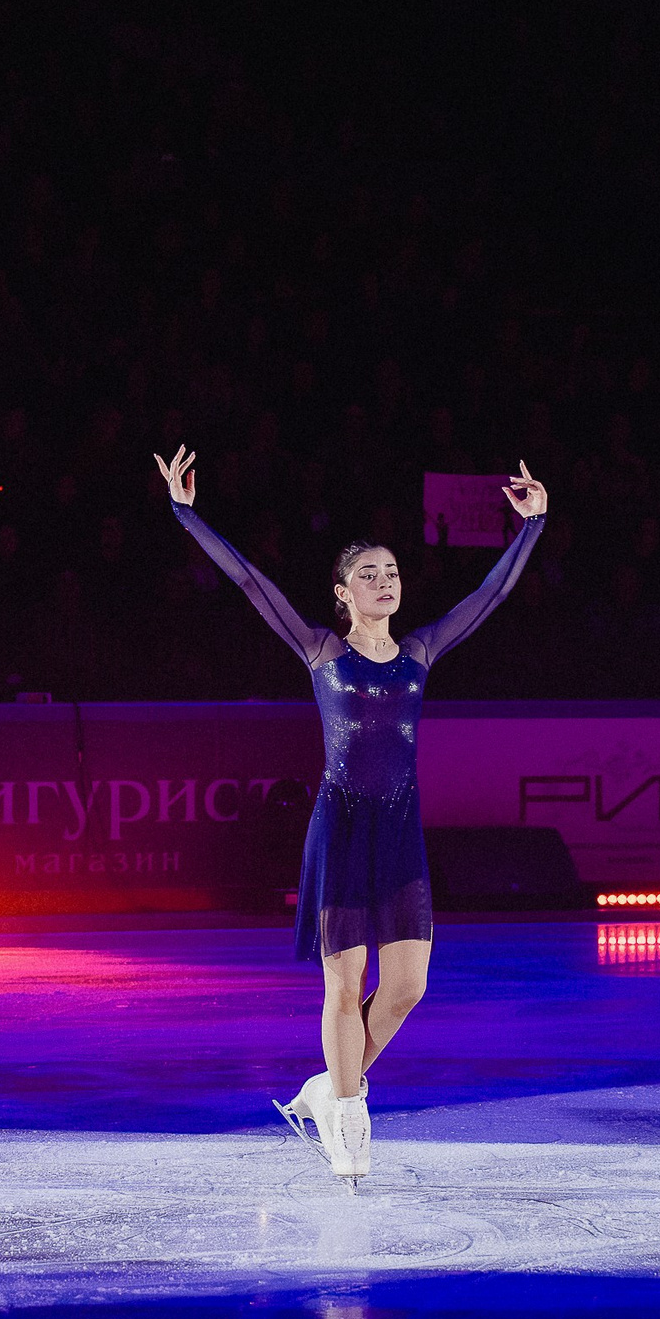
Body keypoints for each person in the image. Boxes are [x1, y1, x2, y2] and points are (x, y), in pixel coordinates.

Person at [156, 444, 547, 1184]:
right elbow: (246, 578)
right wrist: (185, 512)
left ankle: (328, 1088)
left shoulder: (422, 651)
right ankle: (346, 1115)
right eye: (368, 573)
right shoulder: (321, 650)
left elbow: (489, 599)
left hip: (399, 830)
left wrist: (531, 526)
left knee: (406, 986)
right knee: (344, 984)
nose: (384, 580)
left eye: (392, 571)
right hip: (339, 827)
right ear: (343, 591)